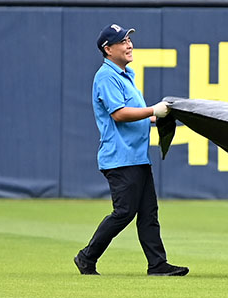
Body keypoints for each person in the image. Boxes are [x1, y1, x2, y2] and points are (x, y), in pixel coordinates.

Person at [75, 23, 188, 276]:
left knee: (148, 212)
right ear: (107, 49)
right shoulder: (106, 77)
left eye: (129, 39)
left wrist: (159, 117)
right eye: (122, 41)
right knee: (124, 212)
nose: (129, 44)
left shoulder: (127, 74)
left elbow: (136, 115)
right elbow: (119, 114)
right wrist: (152, 110)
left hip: (136, 156)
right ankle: (86, 257)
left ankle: (157, 264)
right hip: (119, 158)